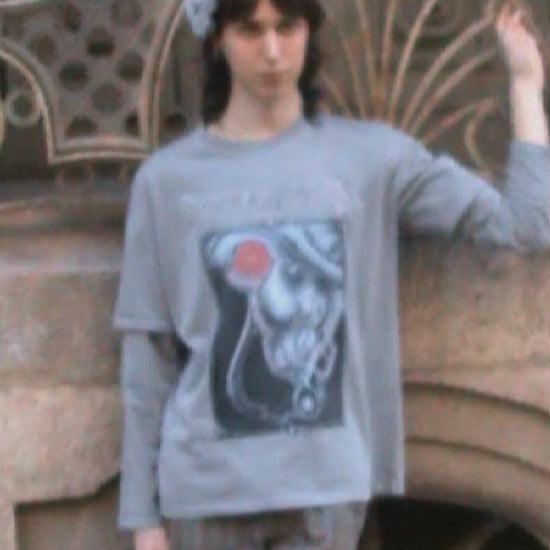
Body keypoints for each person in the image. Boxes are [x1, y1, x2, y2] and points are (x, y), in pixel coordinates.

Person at [113, 0, 550, 548]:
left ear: (309, 30)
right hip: (206, 493)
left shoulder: (371, 159)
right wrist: (144, 520)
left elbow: (526, 225)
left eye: (287, 26)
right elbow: (146, 357)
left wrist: (525, 87)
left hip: (325, 494)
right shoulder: (166, 182)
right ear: (217, 38)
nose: (273, 51)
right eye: (250, 29)